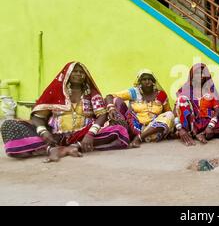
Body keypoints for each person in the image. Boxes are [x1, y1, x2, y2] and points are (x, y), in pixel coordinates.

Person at [1, 62, 129, 162]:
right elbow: (38, 117)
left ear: (86, 76)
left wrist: (90, 134)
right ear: (67, 74)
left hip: (83, 135)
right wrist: (44, 132)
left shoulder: (91, 95)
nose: (79, 74)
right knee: (8, 125)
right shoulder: (55, 93)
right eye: (75, 72)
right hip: (55, 136)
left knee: (119, 129)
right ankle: (52, 149)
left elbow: (102, 115)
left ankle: (76, 146)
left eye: (81, 72)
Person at [105, 69, 174, 148]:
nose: (147, 81)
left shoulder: (161, 95)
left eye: (150, 79)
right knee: (116, 101)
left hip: (153, 131)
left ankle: (139, 138)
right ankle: (133, 136)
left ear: (153, 81)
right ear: (140, 82)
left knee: (169, 114)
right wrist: (111, 108)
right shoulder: (134, 92)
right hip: (135, 127)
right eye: (144, 79)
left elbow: (168, 112)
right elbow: (109, 96)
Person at [173, 63, 219, 146]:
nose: (201, 75)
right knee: (181, 99)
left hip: (207, 122)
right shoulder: (185, 89)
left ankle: (203, 133)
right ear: (192, 75)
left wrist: (210, 126)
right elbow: (176, 109)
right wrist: (179, 128)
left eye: (203, 72)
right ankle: (188, 131)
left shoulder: (210, 90)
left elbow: (217, 110)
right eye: (197, 73)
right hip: (192, 123)